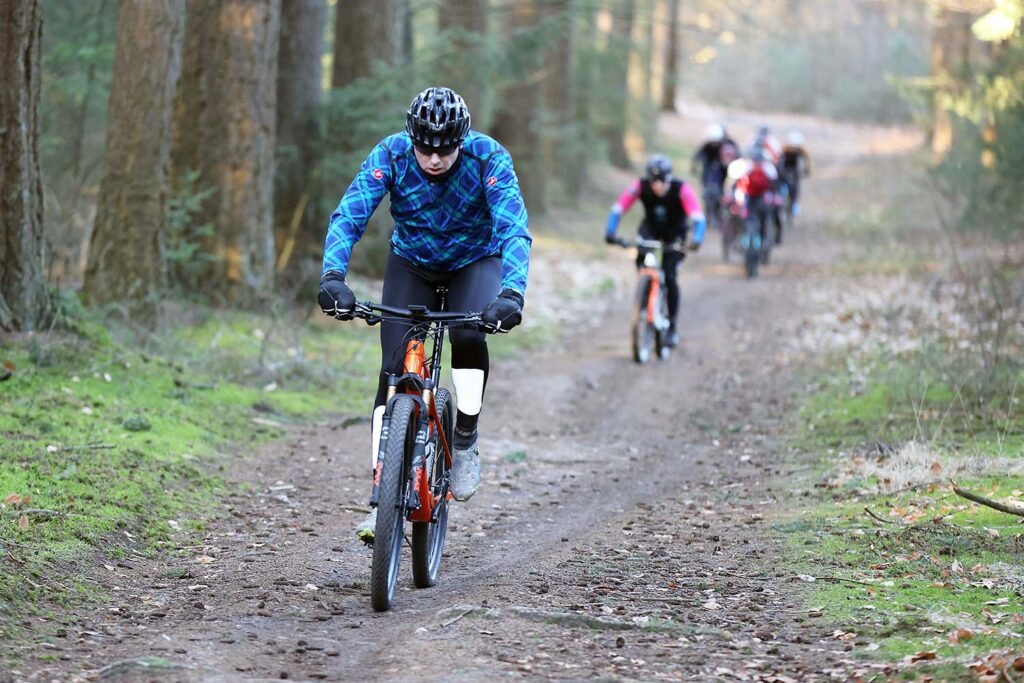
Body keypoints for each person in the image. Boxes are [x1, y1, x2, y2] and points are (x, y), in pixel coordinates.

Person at [317, 86, 532, 543]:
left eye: (445, 149)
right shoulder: (391, 154)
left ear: (462, 140)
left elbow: (513, 227)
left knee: (471, 335)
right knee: (393, 366)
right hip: (411, 263)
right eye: (425, 148)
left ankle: (466, 437)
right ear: (411, 137)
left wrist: (512, 291)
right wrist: (333, 276)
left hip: (474, 261)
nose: (434, 159)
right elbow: (350, 214)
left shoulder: (488, 158)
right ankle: (383, 494)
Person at [604, 154, 706, 348]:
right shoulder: (640, 186)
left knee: (670, 275)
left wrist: (697, 240)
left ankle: (672, 327)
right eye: (653, 181)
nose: (657, 185)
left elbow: (698, 217)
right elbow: (619, 207)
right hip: (650, 230)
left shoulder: (681, 189)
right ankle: (645, 293)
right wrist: (610, 231)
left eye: (661, 181)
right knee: (642, 262)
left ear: (669, 179)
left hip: (675, 235)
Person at [691, 123, 739, 228]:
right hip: (710, 175)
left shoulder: (729, 145)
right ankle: (709, 216)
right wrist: (695, 168)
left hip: (724, 174)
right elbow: (698, 156)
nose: (714, 144)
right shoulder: (706, 146)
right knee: (708, 196)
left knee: (722, 196)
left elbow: (737, 158)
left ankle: (719, 216)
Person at [780, 131, 811, 219]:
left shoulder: (797, 150)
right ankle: (789, 203)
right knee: (788, 188)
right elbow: (780, 161)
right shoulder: (785, 149)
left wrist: (806, 170)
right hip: (788, 170)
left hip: (793, 171)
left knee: (794, 189)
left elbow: (807, 160)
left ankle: (792, 204)